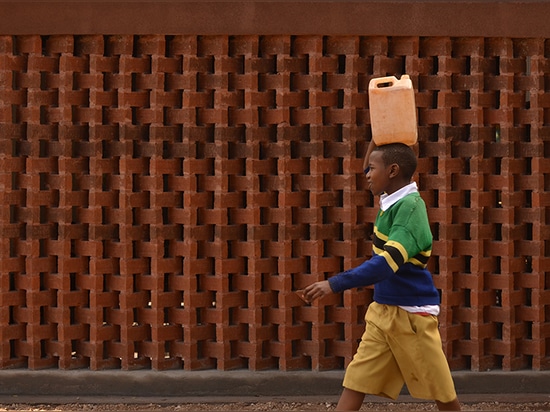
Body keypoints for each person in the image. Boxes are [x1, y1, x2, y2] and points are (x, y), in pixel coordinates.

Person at [302, 142, 461, 411]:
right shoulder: (392, 198)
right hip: (383, 311)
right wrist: (380, 132)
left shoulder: (410, 211)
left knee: (443, 394)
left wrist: (334, 283)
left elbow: (384, 266)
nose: (366, 173)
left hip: (413, 316)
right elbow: (371, 164)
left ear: (393, 171)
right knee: (356, 381)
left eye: (372, 169)